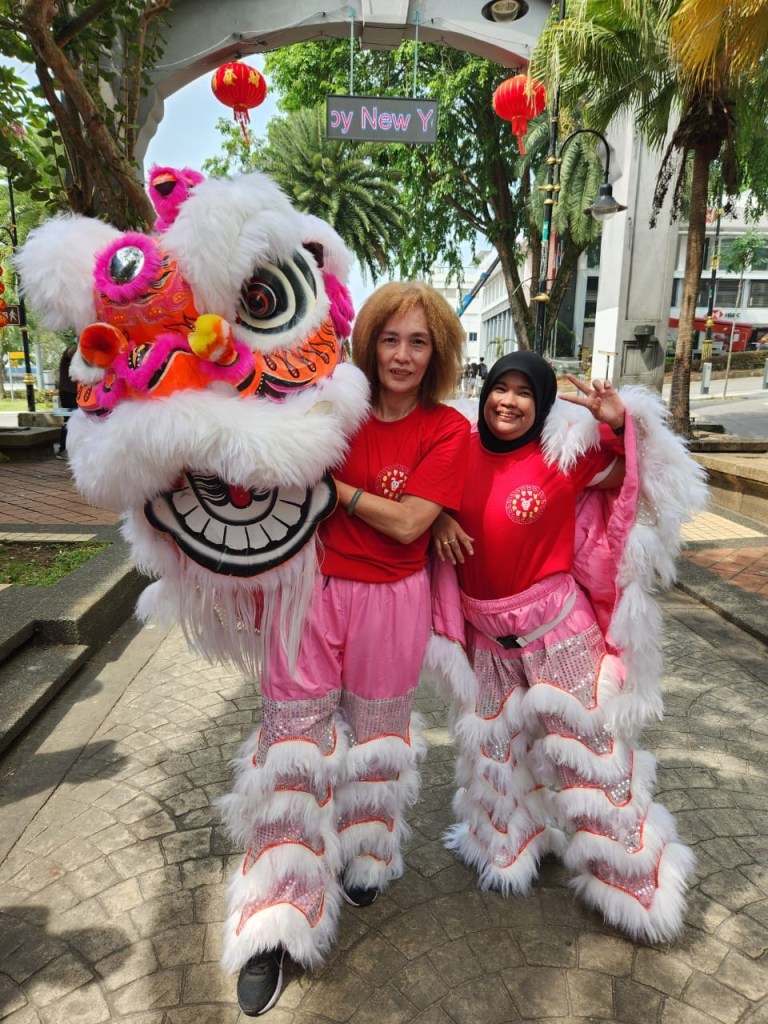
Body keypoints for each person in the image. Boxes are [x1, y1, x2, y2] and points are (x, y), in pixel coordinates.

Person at [219, 280, 470, 1016]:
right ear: (368, 343)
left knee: (377, 737)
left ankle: (365, 852)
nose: (402, 355)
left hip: (393, 602)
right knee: (292, 748)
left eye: (418, 342)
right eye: (390, 339)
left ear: (437, 353)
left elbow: (409, 523)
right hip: (311, 592)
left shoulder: (447, 430)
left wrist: (342, 496)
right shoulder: (335, 406)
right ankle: (273, 918)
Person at [428, 351, 707, 944]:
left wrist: (620, 423)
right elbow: (425, 498)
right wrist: (439, 521)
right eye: (499, 388)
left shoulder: (564, 455)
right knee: (496, 752)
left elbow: (642, 474)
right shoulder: (458, 452)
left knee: (591, 753)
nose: (507, 401)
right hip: (487, 638)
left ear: (542, 403)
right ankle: (507, 847)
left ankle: (632, 883)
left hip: (558, 631)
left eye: (523, 392)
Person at [56, 341, 77, 459]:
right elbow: (70, 352)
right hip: (67, 392)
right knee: (69, 419)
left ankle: (71, 448)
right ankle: (63, 449)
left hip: (76, 393)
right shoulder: (68, 354)